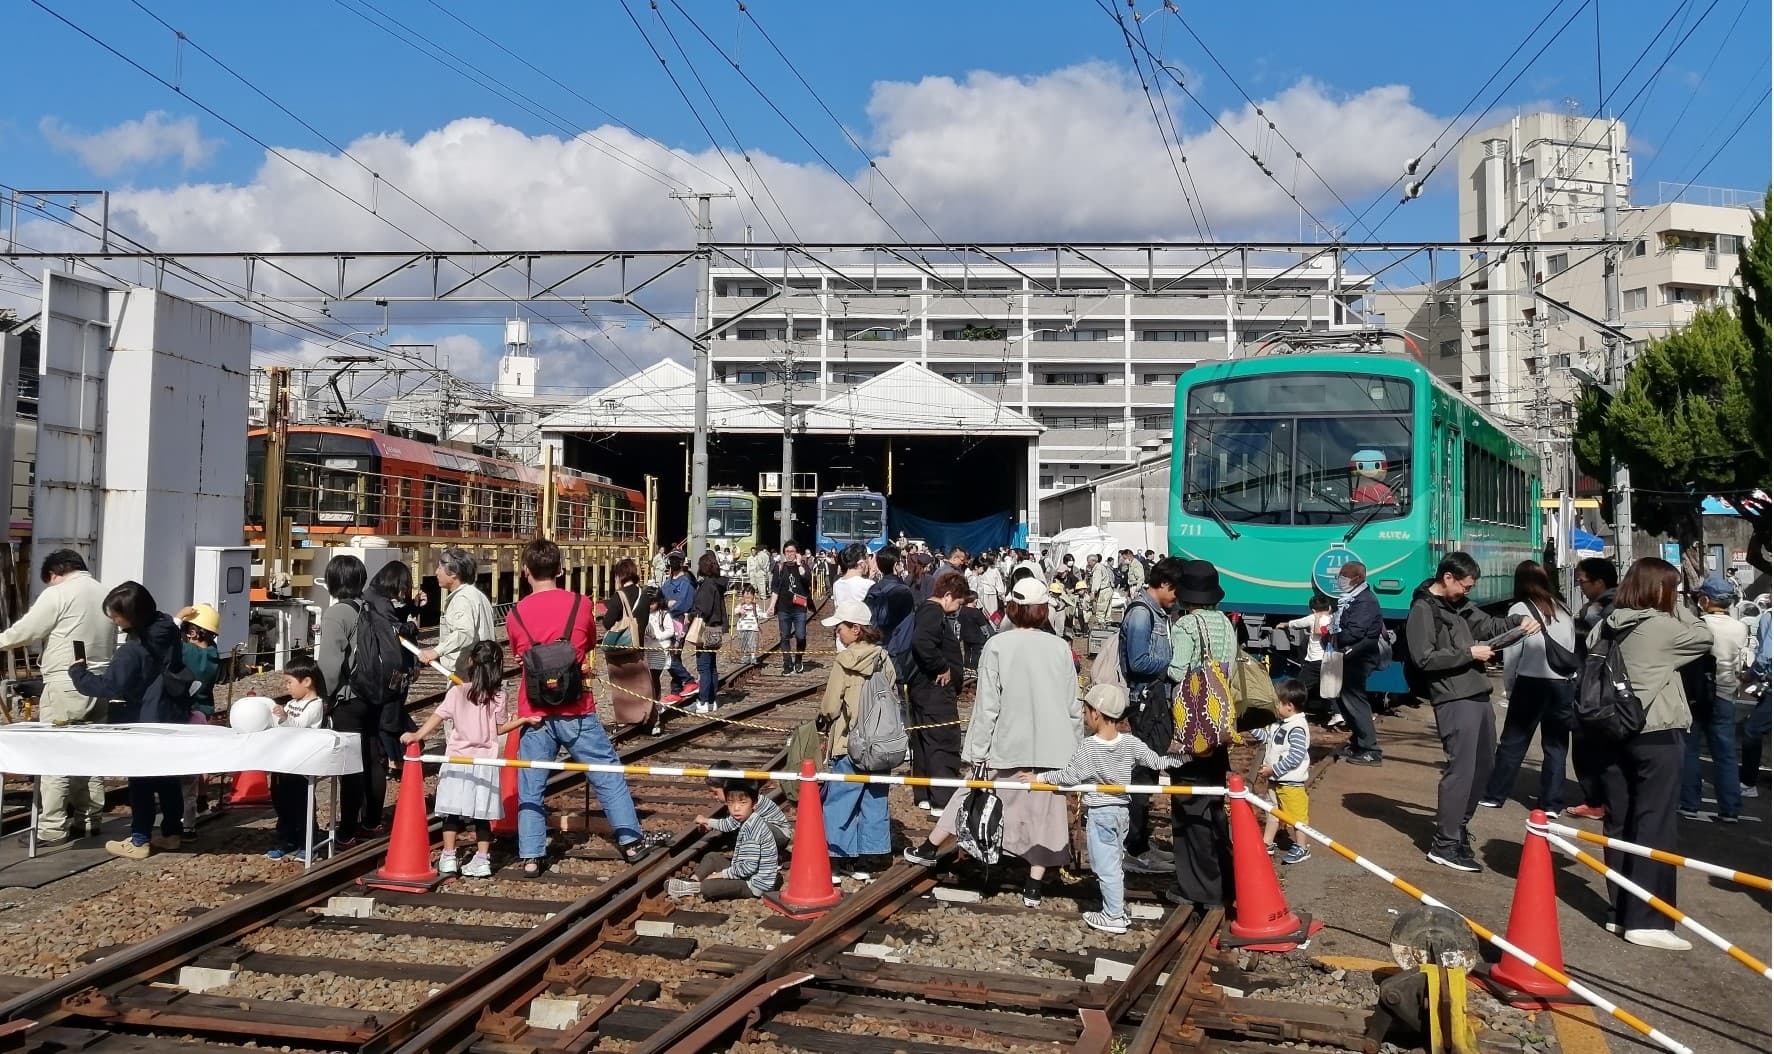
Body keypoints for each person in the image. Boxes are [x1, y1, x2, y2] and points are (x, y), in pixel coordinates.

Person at [905, 578, 1082, 907]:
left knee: (972, 793)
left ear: (1012, 608)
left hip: (1006, 741)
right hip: (1053, 745)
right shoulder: (1060, 648)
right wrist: (1075, 750)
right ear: (1044, 610)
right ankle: (1034, 884)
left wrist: (976, 751)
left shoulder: (998, 646)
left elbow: (988, 705)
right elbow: (1073, 704)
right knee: (1046, 810)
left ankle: (931, 846)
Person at [508, 537, 671, 876]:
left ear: (525, 572)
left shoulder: (515, 614)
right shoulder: (580, 604)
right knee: (606, 772)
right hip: (577, 708)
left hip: (534, 711)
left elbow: (518, 653)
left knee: (531, 783)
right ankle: (630, 842)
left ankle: (531, 856)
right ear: (561, 570)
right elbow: (588, 641)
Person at [1595, 557, 1713, 949]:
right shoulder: (1660, 626)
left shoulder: (1606, 624)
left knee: (1621, 823)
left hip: (1610, 732)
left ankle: (1620, 912)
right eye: (1672, 588)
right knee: (1655, 825)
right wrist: (1677, 605)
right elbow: (1702, 636)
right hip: (1656, 734)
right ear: (1661, 590)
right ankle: (1648, 921)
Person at [1405, 553, 1539, 873]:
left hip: (1477, 693)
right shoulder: (1423, 610)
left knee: (1483, 766)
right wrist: (1469, 653)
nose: (1468, 591)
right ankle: (1446, 842)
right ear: (1447, 577)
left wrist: (1517, 623)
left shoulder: (1458, 605)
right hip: (1453, 697)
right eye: (1465, 585)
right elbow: (1423, 658)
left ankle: (1458, 828)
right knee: (1462, 770)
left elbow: (1487, 623)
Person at [1036, 683, 1181, 934]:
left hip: (1101, 813)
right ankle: (1117, 908)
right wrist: (1183, 758)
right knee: (1115, 862)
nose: (1085, 716)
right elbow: (1156, 761)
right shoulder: (1130, 743)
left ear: (1096, 713)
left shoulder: (1089, 747)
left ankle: (1113, 915)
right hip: (1121, 813)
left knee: (1105, 866)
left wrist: (1039, 779)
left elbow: (1071, 776)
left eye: (1086, 711)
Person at [0, 549, 113, 848]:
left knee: (56, 754)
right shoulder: (105, 593)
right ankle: (89, 819)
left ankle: (51, 828)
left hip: (66, 683)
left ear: (54, 573)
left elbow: (27, 630)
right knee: (89, 754)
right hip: (100, 683)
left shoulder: (60, 593)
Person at [68, 581, 188, 860]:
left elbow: (110, 688)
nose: (113, 619)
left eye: (116, 615)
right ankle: (171, 833)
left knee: (142, 781)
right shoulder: (166, 627)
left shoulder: (132, 650)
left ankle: (139, 839)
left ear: (133, 615)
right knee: (168, 777)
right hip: (170, 710)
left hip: (146, 718)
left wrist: (79, 673)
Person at [403, 640, 535, 877]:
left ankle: (449, 857)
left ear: (471, 662)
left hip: (456, 760)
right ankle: (483, 859)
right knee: (481, 814)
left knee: (451, 813)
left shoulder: (457, 692)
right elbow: (500, 728)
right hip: (485, 762)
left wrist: (417, 735)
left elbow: (438, 716)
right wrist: (523, 720)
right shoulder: (498, 696)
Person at [1159, 560, 1241, 908]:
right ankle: (1224, 879)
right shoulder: (1225, 623)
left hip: (1192, 730)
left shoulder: (1186, 626)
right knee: (1213, 805)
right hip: (1219, 727)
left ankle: (1197, 888)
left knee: (1188, 807)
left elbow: (1178, 672)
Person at [1480, 561, 1578, 815]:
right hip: (1563, 684)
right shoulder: (1563, 608)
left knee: (1513, 742)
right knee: (1556, 747)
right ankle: (1551, 803)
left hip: (1531, 683)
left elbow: (1513, 654)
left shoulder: (1520, 609)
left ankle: (1495, 794)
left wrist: (1510, 687)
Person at [815, 600, 893, 879]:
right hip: (881, 742)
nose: (837, 632)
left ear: (856, 629)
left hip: (850, 741)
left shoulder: (844, 661)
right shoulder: (883, 658)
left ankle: (837, 858)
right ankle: (869, 859)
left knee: (841, 799)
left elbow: (831, 706)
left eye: (840, 627)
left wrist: (822, 722)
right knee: (874, 798)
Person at [315, 557, 390, 843]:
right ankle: (371, 821)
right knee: (372, 757)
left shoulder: (337, 614)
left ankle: (347, 829)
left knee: (350, 764)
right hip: (375, 692)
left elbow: (330, 665)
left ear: (333, 581)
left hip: (351, 697)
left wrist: (324, 697)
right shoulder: (371, 608)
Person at [1120, 557, 1181, 875]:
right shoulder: (1143, 614)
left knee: (1147, 773)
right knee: (1143, 775)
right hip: (1145, 703)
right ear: (1166, 584)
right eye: (1176, 591)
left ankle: (1139, 842)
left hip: (1152, 702)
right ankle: (1133, 846)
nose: (1177, 598)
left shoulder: (1157, 612)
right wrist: (1175, 660)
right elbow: (1139, 661)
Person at [1683, 578, 1745, 822]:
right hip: (1725, 695)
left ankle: (1688, 803)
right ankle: (1730, 808)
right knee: (1726, 754)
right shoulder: (1739, 627)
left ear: (1705, 600)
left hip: (1697, 695)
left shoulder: (1698, 625)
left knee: (1690, 750)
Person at [907, 572, 969, 812]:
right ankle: (943, 800)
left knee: (924, 739)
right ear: (947, 596)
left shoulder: (924, 610)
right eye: (958, 602)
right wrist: (942, 667)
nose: (957, 608)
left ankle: (924, 793)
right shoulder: (934, 612)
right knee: (943, 739)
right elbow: (922, 642)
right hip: (935, 691)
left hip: (922, 689)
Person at [1567, 557, 1621, 821]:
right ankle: (1603, 799)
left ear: (1599, 582)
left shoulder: (1600, 609)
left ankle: (1597, 800)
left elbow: (1585, 649)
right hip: (1606, 687)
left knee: (1587, 744)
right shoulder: (1617, 603)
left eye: (1582, 582)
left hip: (1593, 687)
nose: (1581, 587)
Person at [669, 777, 782, 900]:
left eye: (742, 803)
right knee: (712, 857)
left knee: (709, 886)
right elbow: (727, 824)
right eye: (731, 803)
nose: (736, 808)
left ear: (754, 804)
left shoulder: (754, 828)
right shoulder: (745, 819)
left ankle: (697, 887)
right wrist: (708, 821)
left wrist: (720, 875)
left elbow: (748, 868)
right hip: (745, 873)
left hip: (754, 885)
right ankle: (692, 881)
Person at [266, 657, 327, 861]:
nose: (287, 687)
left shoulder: (315, 705)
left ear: (307, 682)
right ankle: (287, 839)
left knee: (302, 804)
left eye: (290, 682)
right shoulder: (292, 703)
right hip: (284, 762)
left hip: (302, 765)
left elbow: (299, 727)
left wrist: (284, 717)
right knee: (282, 802)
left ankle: (307, 842)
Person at [369, 561, 423, 783]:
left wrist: (412, 607)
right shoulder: (380, 603)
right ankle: (396, 759)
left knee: (390, 714)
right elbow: (395, 628)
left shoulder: (374, 597)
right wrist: (413, 625)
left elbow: (394, 618)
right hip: (391, 670)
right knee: (390, 716)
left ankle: (400, 753)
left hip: (381, 667)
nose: (403, 593)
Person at [1250, 678, 1313, 863]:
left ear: (1289, 706)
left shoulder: (1297, 728)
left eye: (1277, 703)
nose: (1274, 706)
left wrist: (1273, 769)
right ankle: (1267, 842)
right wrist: (1250, 726)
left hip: (1290, 782)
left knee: (1297, 817)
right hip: (1276, 781)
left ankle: (1302, 847)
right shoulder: (1279, 725)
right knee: (1273, 811)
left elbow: (1296, 756)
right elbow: (1266, 738)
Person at [175, 604, 223, 838]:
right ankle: (201, 804)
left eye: (187, 631)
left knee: (184, 773)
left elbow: (168, 642)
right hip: (204, 713)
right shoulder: (213, 655)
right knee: (200, 766)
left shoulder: (188, 652)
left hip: (186, 714)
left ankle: (183, 823)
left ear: (193, 633)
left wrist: (177, 619)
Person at [1331, 562, 1385, 765]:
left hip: (1360, 657)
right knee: (1345, 699)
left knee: (1355, 700)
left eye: (1345, 575)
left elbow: (1354, 632)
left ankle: (1371, 749)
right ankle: (1358, 742)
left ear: (1359, 578)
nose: (1340, 579)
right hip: (1351, 656)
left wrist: (1335, 634)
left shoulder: (1364, 602)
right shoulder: (1352, 600)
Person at [598, 558, 656, 728]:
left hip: (620, 647)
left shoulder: (620, 596)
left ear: (620, 576)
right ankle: (647, 715)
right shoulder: (643, 594)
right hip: (637, 644)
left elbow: (608, 622)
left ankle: (626, 717)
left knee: (621, 685)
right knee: (641, 683)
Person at [420, 547, 495, 676]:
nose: (436, 572)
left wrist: (435, 652)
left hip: (467, 675)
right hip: (481, 672)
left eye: (439, 567)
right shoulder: (478, 595)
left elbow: (464, 632)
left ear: (453, 572)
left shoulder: (462, 598)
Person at [687, 551, 729, 714]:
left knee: (703, 667)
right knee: (712, 666)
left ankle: (703, 701)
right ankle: (712, 701)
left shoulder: (706, 586)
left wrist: (690, 614)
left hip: (706, 630)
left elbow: (703, 609)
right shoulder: (717, 584)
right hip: (716, 630)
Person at [769, 543, 814, 674]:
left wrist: (800, 564)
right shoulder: (779, 567)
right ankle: (787, 663)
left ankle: (798, 659)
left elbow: (807, 580)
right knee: (785, 637)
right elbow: (775, 589)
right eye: (787, 551)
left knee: (800, 636)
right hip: (784, 608)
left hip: (799, 608)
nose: (789, 554)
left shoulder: (802, 566)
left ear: (797, 553)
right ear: (784, 553)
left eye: (792, 551)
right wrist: (772, 606)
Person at [1284, 594, 1334, 711]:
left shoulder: (1313, 618)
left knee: (1301, 687)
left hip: (1314, 661)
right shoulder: (1333, 619)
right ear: (1329, 607)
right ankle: (1338, 714)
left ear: (1313, 610)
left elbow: (1297, 623)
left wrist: (1284, 624)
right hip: (1329, 659)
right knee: (1332, 687)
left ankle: (1293, 710)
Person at [661, 555, 697, 699]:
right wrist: (667, 603)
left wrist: (669, 604)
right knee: (672, 656)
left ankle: (688, 681)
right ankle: (676, 689)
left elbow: (683, 604)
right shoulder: (667, 582)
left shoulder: (686, 583)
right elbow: (661, 599)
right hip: (665, 621)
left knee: (671, 656)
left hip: (678, 623)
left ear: (682, 563)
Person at [865, 545, 916, 640]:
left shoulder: (874, 588)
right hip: (895, 643)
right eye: (900, 561)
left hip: (877, 640)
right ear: (896, 565)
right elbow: (908, 624)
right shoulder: (903, 591)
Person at [644, 593, 677, 723]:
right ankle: (650, 703)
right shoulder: (645, 614)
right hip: (647, 649)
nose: (651, 606)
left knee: (655, 677)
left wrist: (658, 636)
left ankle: (655, 703)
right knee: (648, 678)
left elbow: (671, 631)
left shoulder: (664, 614)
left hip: (660, 649)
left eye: (653, 602)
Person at [832, 542, 873, 616]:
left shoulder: (837, 584)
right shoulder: (869, 585)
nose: (869, 564)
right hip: (860, 626)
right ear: (861, 563)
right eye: (867, 560)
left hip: (842, 625)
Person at [958, 594, 990, 673]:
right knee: (976, 653)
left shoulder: (962, 610)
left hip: (965, 636)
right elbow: (983, 626)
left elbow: (959, 622)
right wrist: (987, 634)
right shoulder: (976, 612)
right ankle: (974, 668)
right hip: (976, 637)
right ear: (974, 600)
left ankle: (966, 666)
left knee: (967, 652)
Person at [734, 585, 762, 667]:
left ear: (753, 597)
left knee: (752, 642)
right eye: (746, 598)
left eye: (749, 598)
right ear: (743, 597)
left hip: (753, 628)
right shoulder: (741, 605)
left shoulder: (755, 606)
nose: (747, 600)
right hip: (742, 627)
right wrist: (739, 611)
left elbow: (760, 614)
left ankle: (753, 656)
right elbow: (735, 611)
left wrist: (767, 614)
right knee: (743, 642)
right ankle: (746, 656)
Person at [1089, 553, 1116, 629]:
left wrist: (1093, 592)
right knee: (1107, 611)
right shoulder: (1102, 567)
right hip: (1108, 589)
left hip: (1104, 591)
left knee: (1100, 611)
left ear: (1093, 561)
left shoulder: (1097, 568)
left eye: (1089, 562)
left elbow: (1096, 581)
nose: (1088, 564)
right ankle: (1107, 624)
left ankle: (1100, 627)